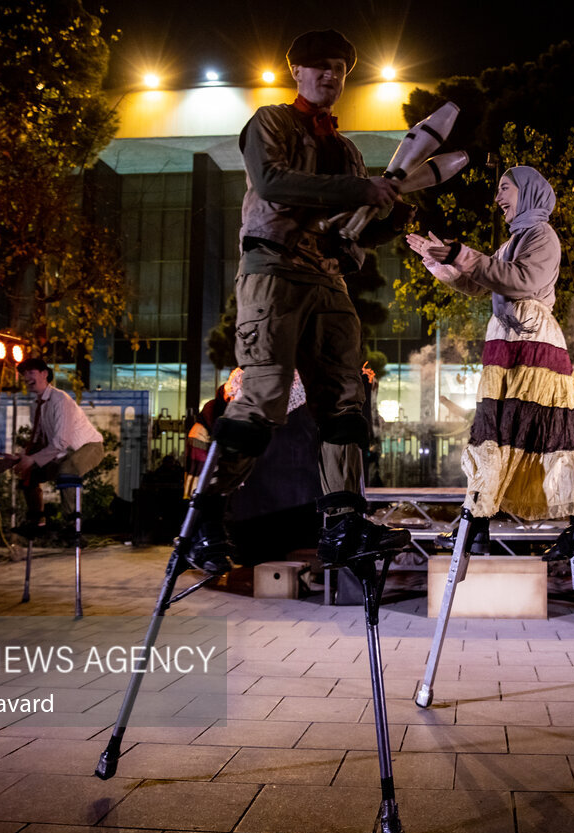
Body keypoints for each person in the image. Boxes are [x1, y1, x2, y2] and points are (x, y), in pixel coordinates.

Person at [187, 29, 414, 574]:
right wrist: (361, 191)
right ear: (298, 72)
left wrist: (392, 215)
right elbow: (273, 183)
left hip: (327, 277)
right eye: (320, 67)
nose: (331, 76)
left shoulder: (347, 149)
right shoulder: (272, 122)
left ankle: (342, 523)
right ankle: (205, 517)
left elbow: (349, 232)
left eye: (339, 68)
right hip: (274, 270)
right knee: (262, 394)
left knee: (344, 399)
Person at [407, 165, 574, 557]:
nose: (498, 198)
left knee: (529, 426)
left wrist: (464, 254)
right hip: (510, 339)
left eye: (505, 188)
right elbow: (481, 282)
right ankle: (490, 524)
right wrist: (439, 264)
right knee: (508, 426)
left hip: (529, 338)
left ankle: (494, 525)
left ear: (529, 192)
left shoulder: (541, 236)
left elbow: (520, 280)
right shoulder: (514, 241)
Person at [8, 357, 105, 536]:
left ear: (45, 374)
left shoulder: (60, 399)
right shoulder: (35, 405)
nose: (26, 377)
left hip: (88, 447)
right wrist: (20, 457)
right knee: (31, 474)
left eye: (31, 372)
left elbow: (61, 441)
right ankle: (36, 520)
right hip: (61, 453)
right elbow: (37, 439)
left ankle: (71, 523)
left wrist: (33, 459)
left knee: (67, 469)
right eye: (23, 374)